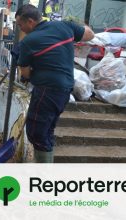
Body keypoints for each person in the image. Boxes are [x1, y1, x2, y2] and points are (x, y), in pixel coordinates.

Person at [15, 4, 94, 163]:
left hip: (46, 90)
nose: (20, 28)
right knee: (47, 131)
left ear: (30, 21)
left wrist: (35, 70)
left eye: (20, 24)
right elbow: (90, 35)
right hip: (64, 91)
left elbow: (25, 73)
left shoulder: (28, 41)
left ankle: (43, 175)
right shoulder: (64, 26)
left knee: (36, 133)